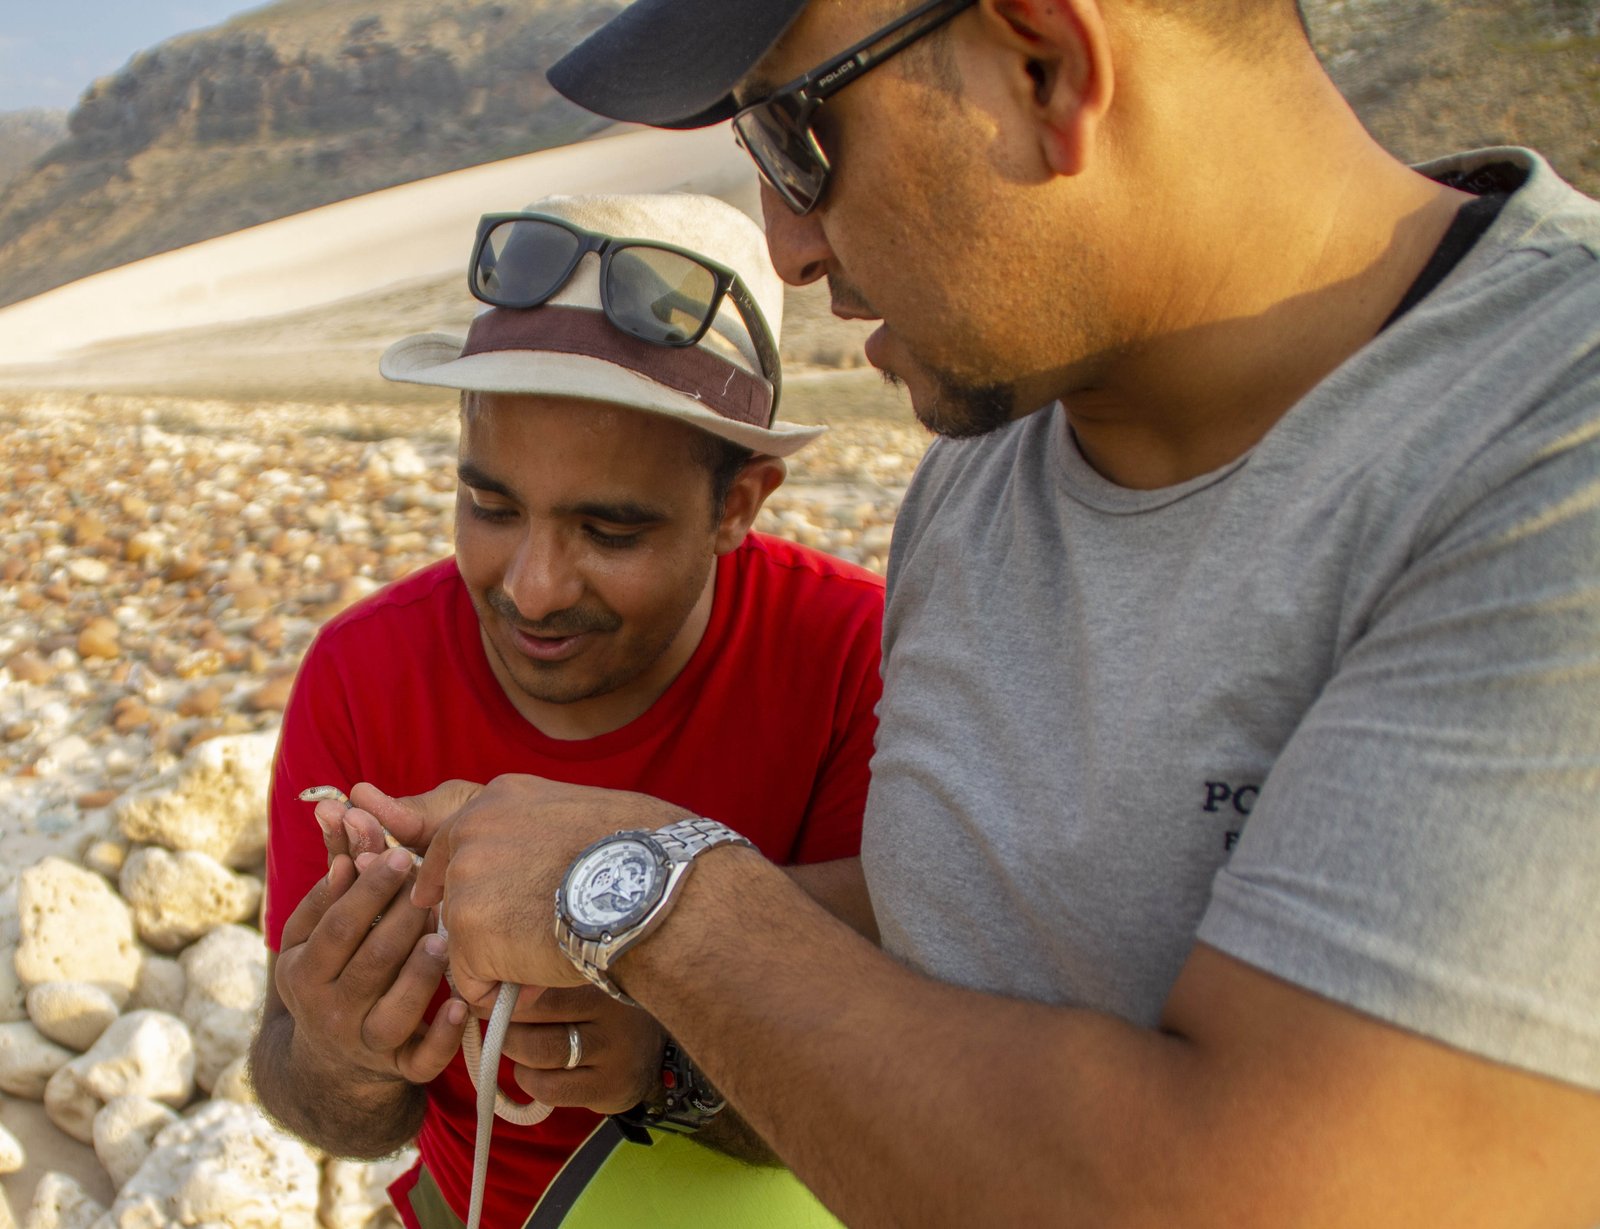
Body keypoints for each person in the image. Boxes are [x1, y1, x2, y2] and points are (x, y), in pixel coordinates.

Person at [353, 1, 1600, 1225]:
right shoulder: (979, 476)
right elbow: (959, 936)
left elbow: (1274, 1192)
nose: (788, 249)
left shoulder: (1549, 447)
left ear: (1043, 63)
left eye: (795, 139)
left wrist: (642, 892)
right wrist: (630, 995)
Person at [248, 192, 884, 1229]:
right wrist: (342, 1049)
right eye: (491, 507)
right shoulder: (362, 671)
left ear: (737, 504)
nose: (533, 588)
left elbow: (921, 1077)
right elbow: (314, 1095)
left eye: (610, 530)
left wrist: (674, 1054)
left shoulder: (858, 660)